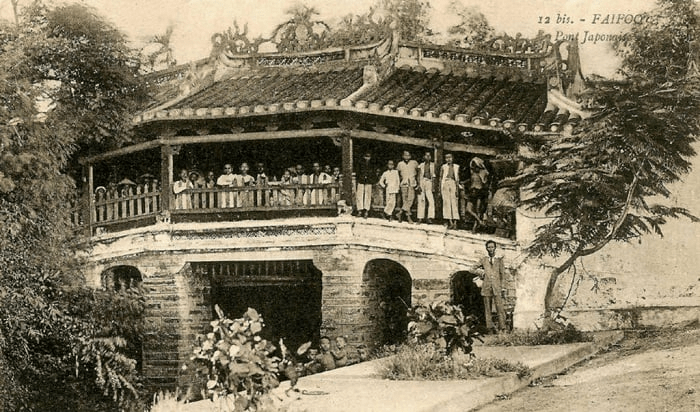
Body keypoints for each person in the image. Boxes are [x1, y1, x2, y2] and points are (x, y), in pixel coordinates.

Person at [471, 240, 508, 333]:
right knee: (488, 309)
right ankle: (489, 328)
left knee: (500, 308)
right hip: (486, 287)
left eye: (492, 247)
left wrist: (503, 287)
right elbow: (472, 269)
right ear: (486, 248)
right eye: (489, 247)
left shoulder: (499, 260)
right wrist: (482, 273)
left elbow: (503, 275)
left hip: (497, 287)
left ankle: (502, 328)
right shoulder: (483, 259)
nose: (490, 249)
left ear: (495, 248)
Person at [465, 157, 490, 231]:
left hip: (479, 192)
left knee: (478, 210)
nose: (474, 167)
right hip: (472, 192)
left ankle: (474, 228)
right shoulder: (472, 172)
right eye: (473, 166)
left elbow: (485, 181)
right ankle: (480, 221)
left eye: (476, 166)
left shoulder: (483, 172)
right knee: (468, 209)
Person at [396, 150, 419, 223]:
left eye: (408, 155)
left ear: (410, 156)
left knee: (410, 200)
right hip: (404, 184)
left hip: (412, 183)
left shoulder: (414, 163)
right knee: (405, 200)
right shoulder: (400, 164)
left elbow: (418, 173)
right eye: (405, 155)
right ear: (403, 156)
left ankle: (400, 212)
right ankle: (408, 217)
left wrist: (418, 183)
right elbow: (398, 175)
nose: (407, 157)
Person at [440, 153, 460, 229]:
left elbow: (458, 178)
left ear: (453, 158)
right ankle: (450, 221)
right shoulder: (443, 167)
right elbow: (441, 178)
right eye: (447, 158)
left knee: (454, 203)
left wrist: (457, 189)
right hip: (445, 183)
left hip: (453, 183)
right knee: (446, 202)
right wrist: (440, 189)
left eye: (450, 157)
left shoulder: (456, 167)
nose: (448, 159)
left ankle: (455, 222)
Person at [416, 151, 436, 224]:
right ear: (424, 157)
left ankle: (429, 217)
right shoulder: (420, 165)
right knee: (421, 200)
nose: (428, 157)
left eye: (429, 155)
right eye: (426, 155)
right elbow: (418, 176)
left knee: (431, 201)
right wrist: (418, 185)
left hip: (429, 182)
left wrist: (433, 186)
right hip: (422, 182)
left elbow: (434, 177)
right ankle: (420, 218)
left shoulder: (433, 165)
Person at [355, 151, 377, 218]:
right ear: (364, 157)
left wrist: (372, 180)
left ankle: (366, 211)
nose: (367, 158)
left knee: (368, 196)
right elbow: (357, 172)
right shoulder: (360, 163)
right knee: (359, 195)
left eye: (369, 157)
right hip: (361, 181)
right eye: (366, 157)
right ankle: (359, 210)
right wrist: (360, 178)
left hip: (369, 181)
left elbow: (374, 173)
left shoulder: (372, 165)